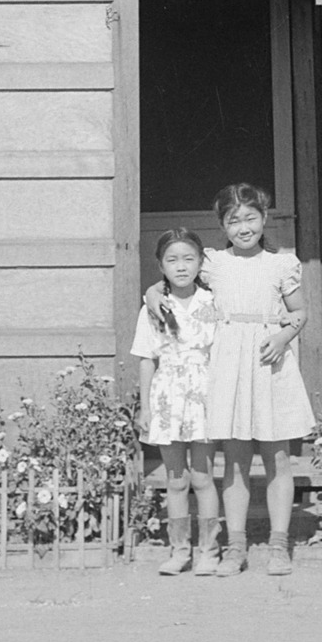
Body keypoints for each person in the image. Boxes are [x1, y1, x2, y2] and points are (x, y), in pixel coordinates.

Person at [146, 183, 316, 576]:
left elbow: (300, 312)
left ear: (264, 218)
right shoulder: (213, 262)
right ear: (222, 225)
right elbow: (175, 274)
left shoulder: (281, 264)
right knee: (236, 460)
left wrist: (283, 335)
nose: (243, 227)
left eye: (250, 218)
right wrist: (152, 292)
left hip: (269, 360)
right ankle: (235, 545)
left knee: (277, 457)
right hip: (228, 365)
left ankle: (278, 545)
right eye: (234, 220)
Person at [130, 228, 222, 576]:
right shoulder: (154, 307)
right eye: (172, 260)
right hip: (167, 397)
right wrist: (146, 408)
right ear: (160, 265)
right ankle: (179, 549)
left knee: (202, 478)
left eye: (188, 258)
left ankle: (208, 551)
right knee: (176, 480)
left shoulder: (213, 303)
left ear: (201, 262)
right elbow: (145, 358)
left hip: (203, 397)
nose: (181, 267)